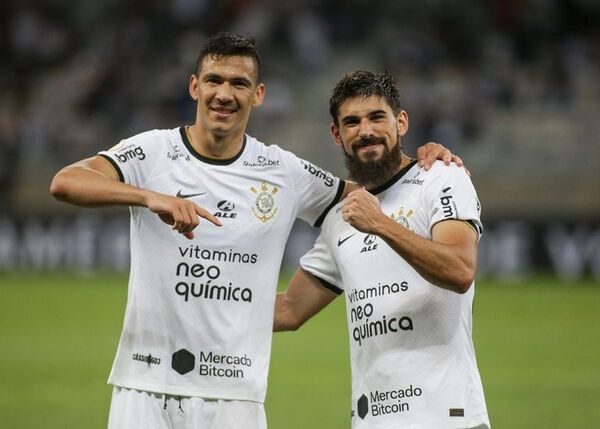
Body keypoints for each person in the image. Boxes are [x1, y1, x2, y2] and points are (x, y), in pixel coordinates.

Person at [50, 33, 460, 429]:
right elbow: (67, 182)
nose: (224, 94)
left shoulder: (282, 171)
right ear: (194, 87)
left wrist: (425, 164)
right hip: (143, 383)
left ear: (257, 95)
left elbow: (376, 192)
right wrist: (149, 198)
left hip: (235, 394)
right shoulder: (154, 152)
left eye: (239, 83)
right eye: (214, 80)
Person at [274, 70, 491, 429]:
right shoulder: (342, 217)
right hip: (373, 420)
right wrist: (184, 309)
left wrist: (381, 225)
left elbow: (460, 270)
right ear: (337, 134)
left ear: (401, 122)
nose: (366, 131)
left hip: (447, 417)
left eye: (377, 117)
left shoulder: (441, 178)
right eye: (352, 122)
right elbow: (287, 310)